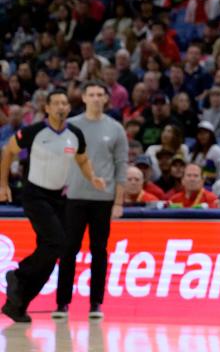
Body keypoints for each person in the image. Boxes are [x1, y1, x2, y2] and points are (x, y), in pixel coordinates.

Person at [0, 89, 107, 323]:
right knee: (56, 242)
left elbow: (82, 159)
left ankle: (17, 303)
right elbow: (8, 151)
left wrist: (93, 178)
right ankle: (17, 275)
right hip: (34, 195)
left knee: (55, 250)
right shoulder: (34, 132)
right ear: (47, 108)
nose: (61, 107)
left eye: (64, 103)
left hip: (59, 197)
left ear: (69, 108)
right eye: (56, 103)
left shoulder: (75, 135)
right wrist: (3, 184)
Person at [55, 81, 128, 320]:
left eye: (100, 95)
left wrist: (118, 202)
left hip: (102, 200)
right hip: (74, 198)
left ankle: (96, 303)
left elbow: (121, 166)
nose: (96, 98)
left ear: (106, 100)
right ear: (84, 98)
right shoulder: (71, 126)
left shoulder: (115, 128)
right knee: (68, 250)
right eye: (91, 94)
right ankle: (62, 303)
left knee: (99, 251)